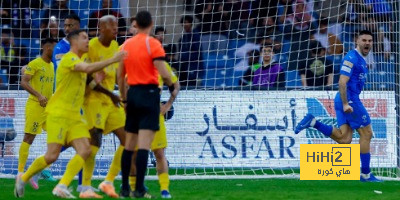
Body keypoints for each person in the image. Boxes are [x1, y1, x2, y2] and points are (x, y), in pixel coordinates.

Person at [14, 29, 126, 198]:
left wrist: (105, 89)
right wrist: (113, 59)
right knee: (52, 156)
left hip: (74, 116)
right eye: (84, 38)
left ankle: (62, 185)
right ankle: (24, 177)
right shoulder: (69, 58)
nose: (88, 41)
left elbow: (89, 83)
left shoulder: (79, 59)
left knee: (86, 149)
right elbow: (86, 68)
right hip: (58, 114)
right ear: (74, 42)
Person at [295, 30, 381, 182]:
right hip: (349, 100)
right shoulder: (351, 58)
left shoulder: (361, 59)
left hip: (343, 100)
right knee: (367, 134)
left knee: (344, 139)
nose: (367, 43)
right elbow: (342, 81)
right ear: (357, 41)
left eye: (369, 40)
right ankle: (366, 174)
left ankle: (313, 122)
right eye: (364, 40)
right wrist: (346, 103)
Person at [118, 10, 177, 198]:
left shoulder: (125, 45)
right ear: (151, 24)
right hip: (150, 94)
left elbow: (120, 77)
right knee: (143, 146)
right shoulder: (153, 44)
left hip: (133, 94)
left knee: (129, 146)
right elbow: (163, 71)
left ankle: (125, 187)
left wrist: (125, 99)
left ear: (136, 24)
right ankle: (140, 188)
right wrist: (171, 83)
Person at [79, 15, 126, 198]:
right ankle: (85, 186)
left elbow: (115, 75)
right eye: (112, 25)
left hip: (110, 100)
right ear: (101, 28)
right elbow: (87, 80)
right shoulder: (90, 47)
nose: (116, 28)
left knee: (128, 139)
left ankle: (108, 181)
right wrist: (111, 94)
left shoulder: (115, 46)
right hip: (94, 100)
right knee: (95, 141)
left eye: (116, 25)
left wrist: (121, 93)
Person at [129, 59, 180, 199]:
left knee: (159, 153)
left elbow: (176, 86)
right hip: (136, 114)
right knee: (134, 153)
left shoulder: (161, 66)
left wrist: (168, 104)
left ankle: (164, 189)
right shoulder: (133, 63)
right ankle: (135, 188)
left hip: (154, 115)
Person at [18, 38, 58, 190]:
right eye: (54, 48)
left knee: (57, 137)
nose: (56, 51)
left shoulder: (52, 65)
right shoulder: (35, 64)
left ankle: (43, 169)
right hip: (35, 106)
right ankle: (20, 172)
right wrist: (39, 95)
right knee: (29, 138)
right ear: (47, 48)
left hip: (48, 109)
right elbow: (24, 82)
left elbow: (49, 87)